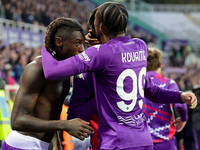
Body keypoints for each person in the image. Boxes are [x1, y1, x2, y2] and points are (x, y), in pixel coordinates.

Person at [41, 2, 197, 150]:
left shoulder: (96, 58)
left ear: (99, 27)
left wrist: (48, 44)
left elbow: (52, 73)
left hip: (115, 142)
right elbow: (151, 91)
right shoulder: (140, 46)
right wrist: (180, 96)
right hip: (143, 139)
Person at [2, 17, 94, 150]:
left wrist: (56, 144)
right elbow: (17, 121)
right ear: (59, 42)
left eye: (82, 44)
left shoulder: (65, 71)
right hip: (22, 144)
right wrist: (65, 125)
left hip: (42, 145)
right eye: (77, 43)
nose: (81, 49)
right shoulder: (36, 69)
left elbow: (51, 113)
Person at [142, 48, 188, 150]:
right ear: (160, 65)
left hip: (142, 140)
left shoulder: (138, 83)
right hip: (165, 140)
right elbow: (180, 105)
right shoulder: (168, 83)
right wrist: (184, 118)